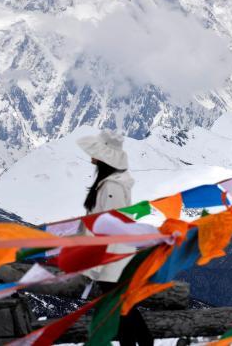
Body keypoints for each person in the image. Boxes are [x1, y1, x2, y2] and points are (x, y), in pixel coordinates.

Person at [77, 129, 153, 346]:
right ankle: (143, 342)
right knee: (121, 308)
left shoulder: (111, 186)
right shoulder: (111, 182)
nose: (91, 154)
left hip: (112, 258)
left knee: (120, 308)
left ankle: (145, 342)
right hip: (115, 256)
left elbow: (110, 226)